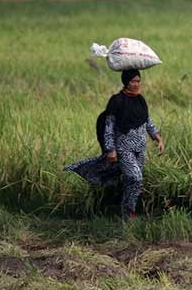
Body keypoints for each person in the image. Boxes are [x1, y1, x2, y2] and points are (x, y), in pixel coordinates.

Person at [65, 69, 164, 219]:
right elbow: (109, 126)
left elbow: (147, 120)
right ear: (126, 82)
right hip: (124, 148)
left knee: (132, 182)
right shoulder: (117, 100)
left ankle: (128, 212)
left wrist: (157, 137)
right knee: (136, 178)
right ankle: (128, 212)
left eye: (138, 81)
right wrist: (110, 149)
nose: (137, 84)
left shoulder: (140, 100)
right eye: (133, 81)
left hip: (140, 149)